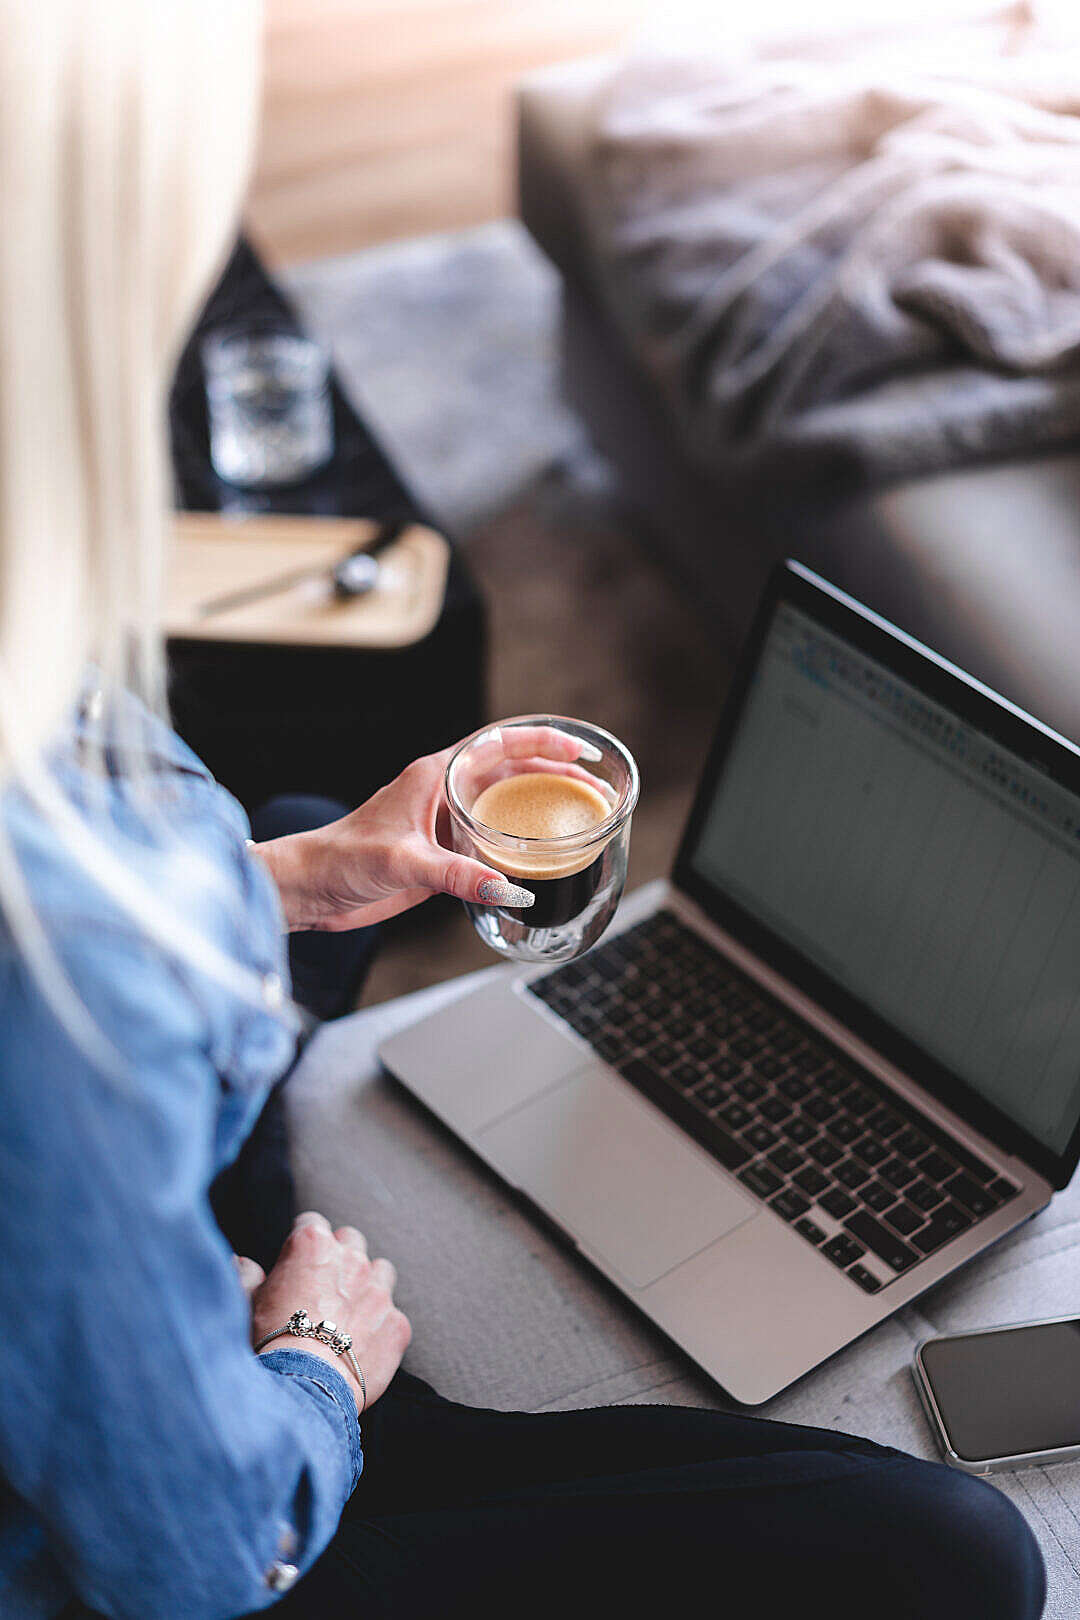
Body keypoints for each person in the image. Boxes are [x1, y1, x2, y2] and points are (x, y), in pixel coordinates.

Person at [0, 5, 1046, 1619]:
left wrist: (279, 877)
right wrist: (319, 1367)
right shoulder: (72, 987)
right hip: (159, 1539)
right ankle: (413, 1419)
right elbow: (191, 1558)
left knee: (284, 817)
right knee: (960, 1554)